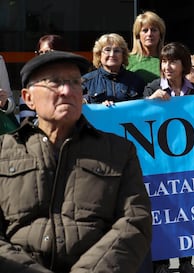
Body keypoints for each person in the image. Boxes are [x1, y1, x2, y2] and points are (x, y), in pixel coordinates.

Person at [0, 50, 152, 272]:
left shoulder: (119, 152)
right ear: (28, 97)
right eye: (54, 82)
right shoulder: (4, 151)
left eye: (74, 82)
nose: (67, 90)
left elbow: (135, 222)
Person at [144, 42, 194, 273]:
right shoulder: (151, 87)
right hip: (161, 163)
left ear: (184, 65)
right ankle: (161, 262)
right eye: (164, 61)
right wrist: (149, 101)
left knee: (186, 210)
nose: (167, 66)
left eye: (172, 61)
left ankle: (186, 260)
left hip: (188, 163)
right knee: (162, 211)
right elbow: (140, 117)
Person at [82, 33, 145, 105]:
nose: (112, 54)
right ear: (99, 55)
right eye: (107, 50)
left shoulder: (136, 80)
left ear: (123, 55)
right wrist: (99, 106)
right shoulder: (86, 81)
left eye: (117, 51)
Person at [19, 34, 68, 122]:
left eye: (48, 52)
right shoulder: (30, 83)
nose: (44, 57)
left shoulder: (72, 81)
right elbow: (26, 122)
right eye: (40, 53)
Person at [127, 11, 166, 84]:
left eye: (154, 30)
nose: (149, 34)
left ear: (160, 34)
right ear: (138, 35)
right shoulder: (127, 60)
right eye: (145, 30)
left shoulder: (168, 60)